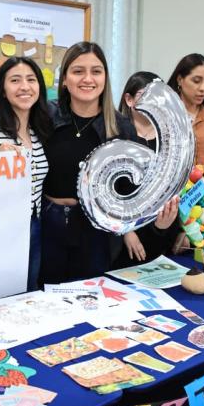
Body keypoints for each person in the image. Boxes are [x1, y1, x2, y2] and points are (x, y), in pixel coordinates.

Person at [40, 41, 137, 283]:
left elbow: (128, 190)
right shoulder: (44, 116)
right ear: (64, 79)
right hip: (47, 225)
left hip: (96, 232)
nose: (87, 79)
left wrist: (129, 229)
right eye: (77, 71)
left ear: (105, 78)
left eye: (96, 71)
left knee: (91, 300)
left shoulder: (120, 126)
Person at [0, 56, 53, 291]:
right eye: (15, 80)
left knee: (27, 293)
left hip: (33, 226)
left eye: (31, 80)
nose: (25, 86)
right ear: (3, 91)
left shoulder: (38, 130)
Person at [111, 71, 180, 268]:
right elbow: (112, 188)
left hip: (163, 224)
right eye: (144, 95)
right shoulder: (117, 132)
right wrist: (126, 231)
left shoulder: (169, 136)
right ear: (129, 99)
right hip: (125, 229)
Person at [168, 53, 204, 179]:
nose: (203, 88)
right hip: (171, 195)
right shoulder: (166, 116)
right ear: (180, 80)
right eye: (196, 81)